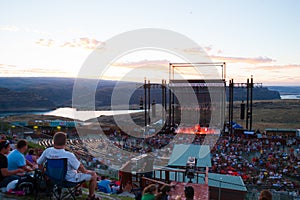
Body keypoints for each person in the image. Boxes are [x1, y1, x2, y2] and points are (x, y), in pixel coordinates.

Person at [37, 132, 100, 200]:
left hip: (53, 180)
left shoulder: (47, 151)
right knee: (93, 175)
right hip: (68, 181)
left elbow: (39, 163)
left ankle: (77, 190)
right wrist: (86, 171)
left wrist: (45, 174)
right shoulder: (68, 155)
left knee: (75, 171)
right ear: (65, 142)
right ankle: (91, 196)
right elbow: (80, 167)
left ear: (53, 141)